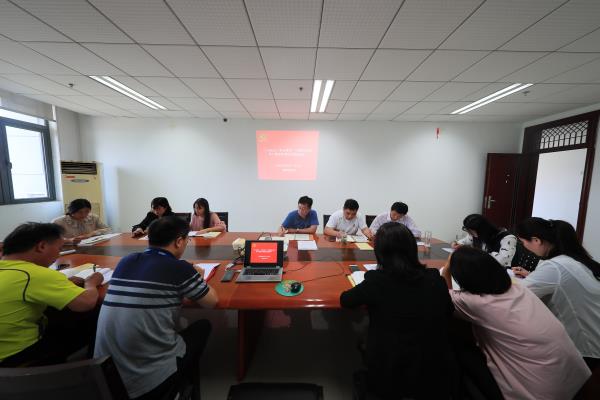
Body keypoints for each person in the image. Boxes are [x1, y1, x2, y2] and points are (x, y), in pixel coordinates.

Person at [95, 216, 218, 400]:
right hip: (145, 382)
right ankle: (179, 384)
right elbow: (212, 302)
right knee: (203, 326)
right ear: (179, 241)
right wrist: (197, 275)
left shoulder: (126, 261)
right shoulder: (179, 268)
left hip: (104, 376)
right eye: (187, 240)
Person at [443, 246, 590, 399]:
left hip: (542, 393)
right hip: (578, 380)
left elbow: (443, 297)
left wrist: (447, 268)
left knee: (457, 346)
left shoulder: (476, 303)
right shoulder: (519, 289)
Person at [340, 223, 455, 399]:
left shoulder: (377, 281)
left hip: (389, 368)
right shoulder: (435, 279)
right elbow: (449, 311)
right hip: (433, 367)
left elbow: (346, 300)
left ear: (380, 252)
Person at [0, 223, 103, 367]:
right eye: (59, 248)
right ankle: (94, 367)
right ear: (41, 246)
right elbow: (86, 303)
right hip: (15, 359)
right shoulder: (36, 274)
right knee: (94, 316)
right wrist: (91, 283)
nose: (58, 254)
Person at [516, 217, 600, 369]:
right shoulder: (574, 260)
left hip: (586, 349)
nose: (524, 247)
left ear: (536, 240)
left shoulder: (554, 266)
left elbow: (517, 296)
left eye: (523, 242)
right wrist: (531, 276)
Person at [451, 213, 517, 267]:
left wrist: (475, 253)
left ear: (482, 230)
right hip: (480, 267)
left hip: (498, 272)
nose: (470, 234)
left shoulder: (508, 238)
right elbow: (465, 241)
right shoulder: (475, 235)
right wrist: (457, 244)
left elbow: (502, 261)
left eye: (471, 232)